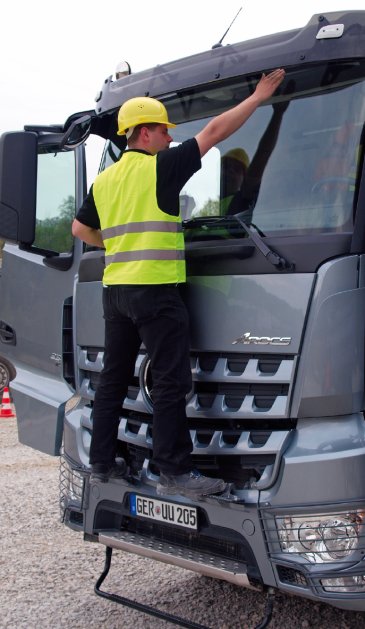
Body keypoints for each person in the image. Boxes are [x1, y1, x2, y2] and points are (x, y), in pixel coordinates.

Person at [72, 68, 285, 499]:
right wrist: (259, 97)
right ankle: (175, 468)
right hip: (155, 293)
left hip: (116, 294)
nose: (170, 139)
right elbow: (214, 130)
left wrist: (115, 246)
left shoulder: (107, 178)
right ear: (145, 133)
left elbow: (79, 229)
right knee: (171, 381)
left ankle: (100, 462)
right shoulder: (162, 168)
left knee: (113, 379)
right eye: (165, 132)